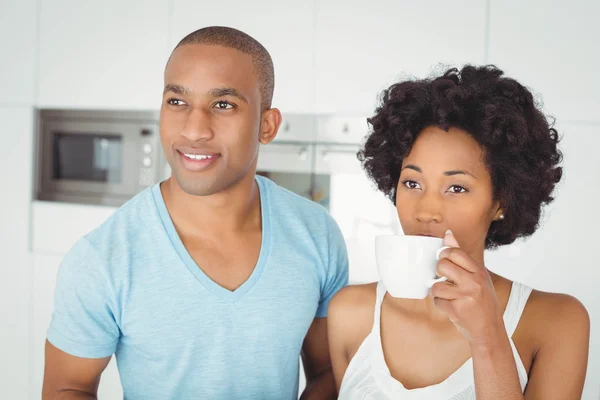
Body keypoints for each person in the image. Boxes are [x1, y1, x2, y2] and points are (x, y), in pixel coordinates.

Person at [42, 26, 348, 400]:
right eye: (177, 101)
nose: (194, 129)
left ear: (266, 126)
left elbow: (329, 372)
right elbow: (67, 388)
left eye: (223, 105)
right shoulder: (102, 258)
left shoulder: (316, 235)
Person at [327, 65, 590, 399]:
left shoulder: (557, 323)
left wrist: (488, 337)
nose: (425, 210)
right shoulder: (349, 315)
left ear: (501, 202)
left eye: (456, 188)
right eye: (412, 182)